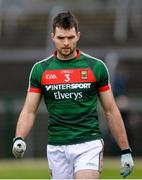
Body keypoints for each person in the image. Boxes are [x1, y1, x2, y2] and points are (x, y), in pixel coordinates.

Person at [12, 11, 134, 179]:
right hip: (56, 146)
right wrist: (19, 137)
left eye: (70, 37)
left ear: (78, 36)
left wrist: (125, 150)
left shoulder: (95, 67)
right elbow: (29, 111)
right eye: (61, 38)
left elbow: (111, 110)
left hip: (88, 144)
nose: (66, 43)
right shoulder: (40, 69)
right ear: (53, 37)